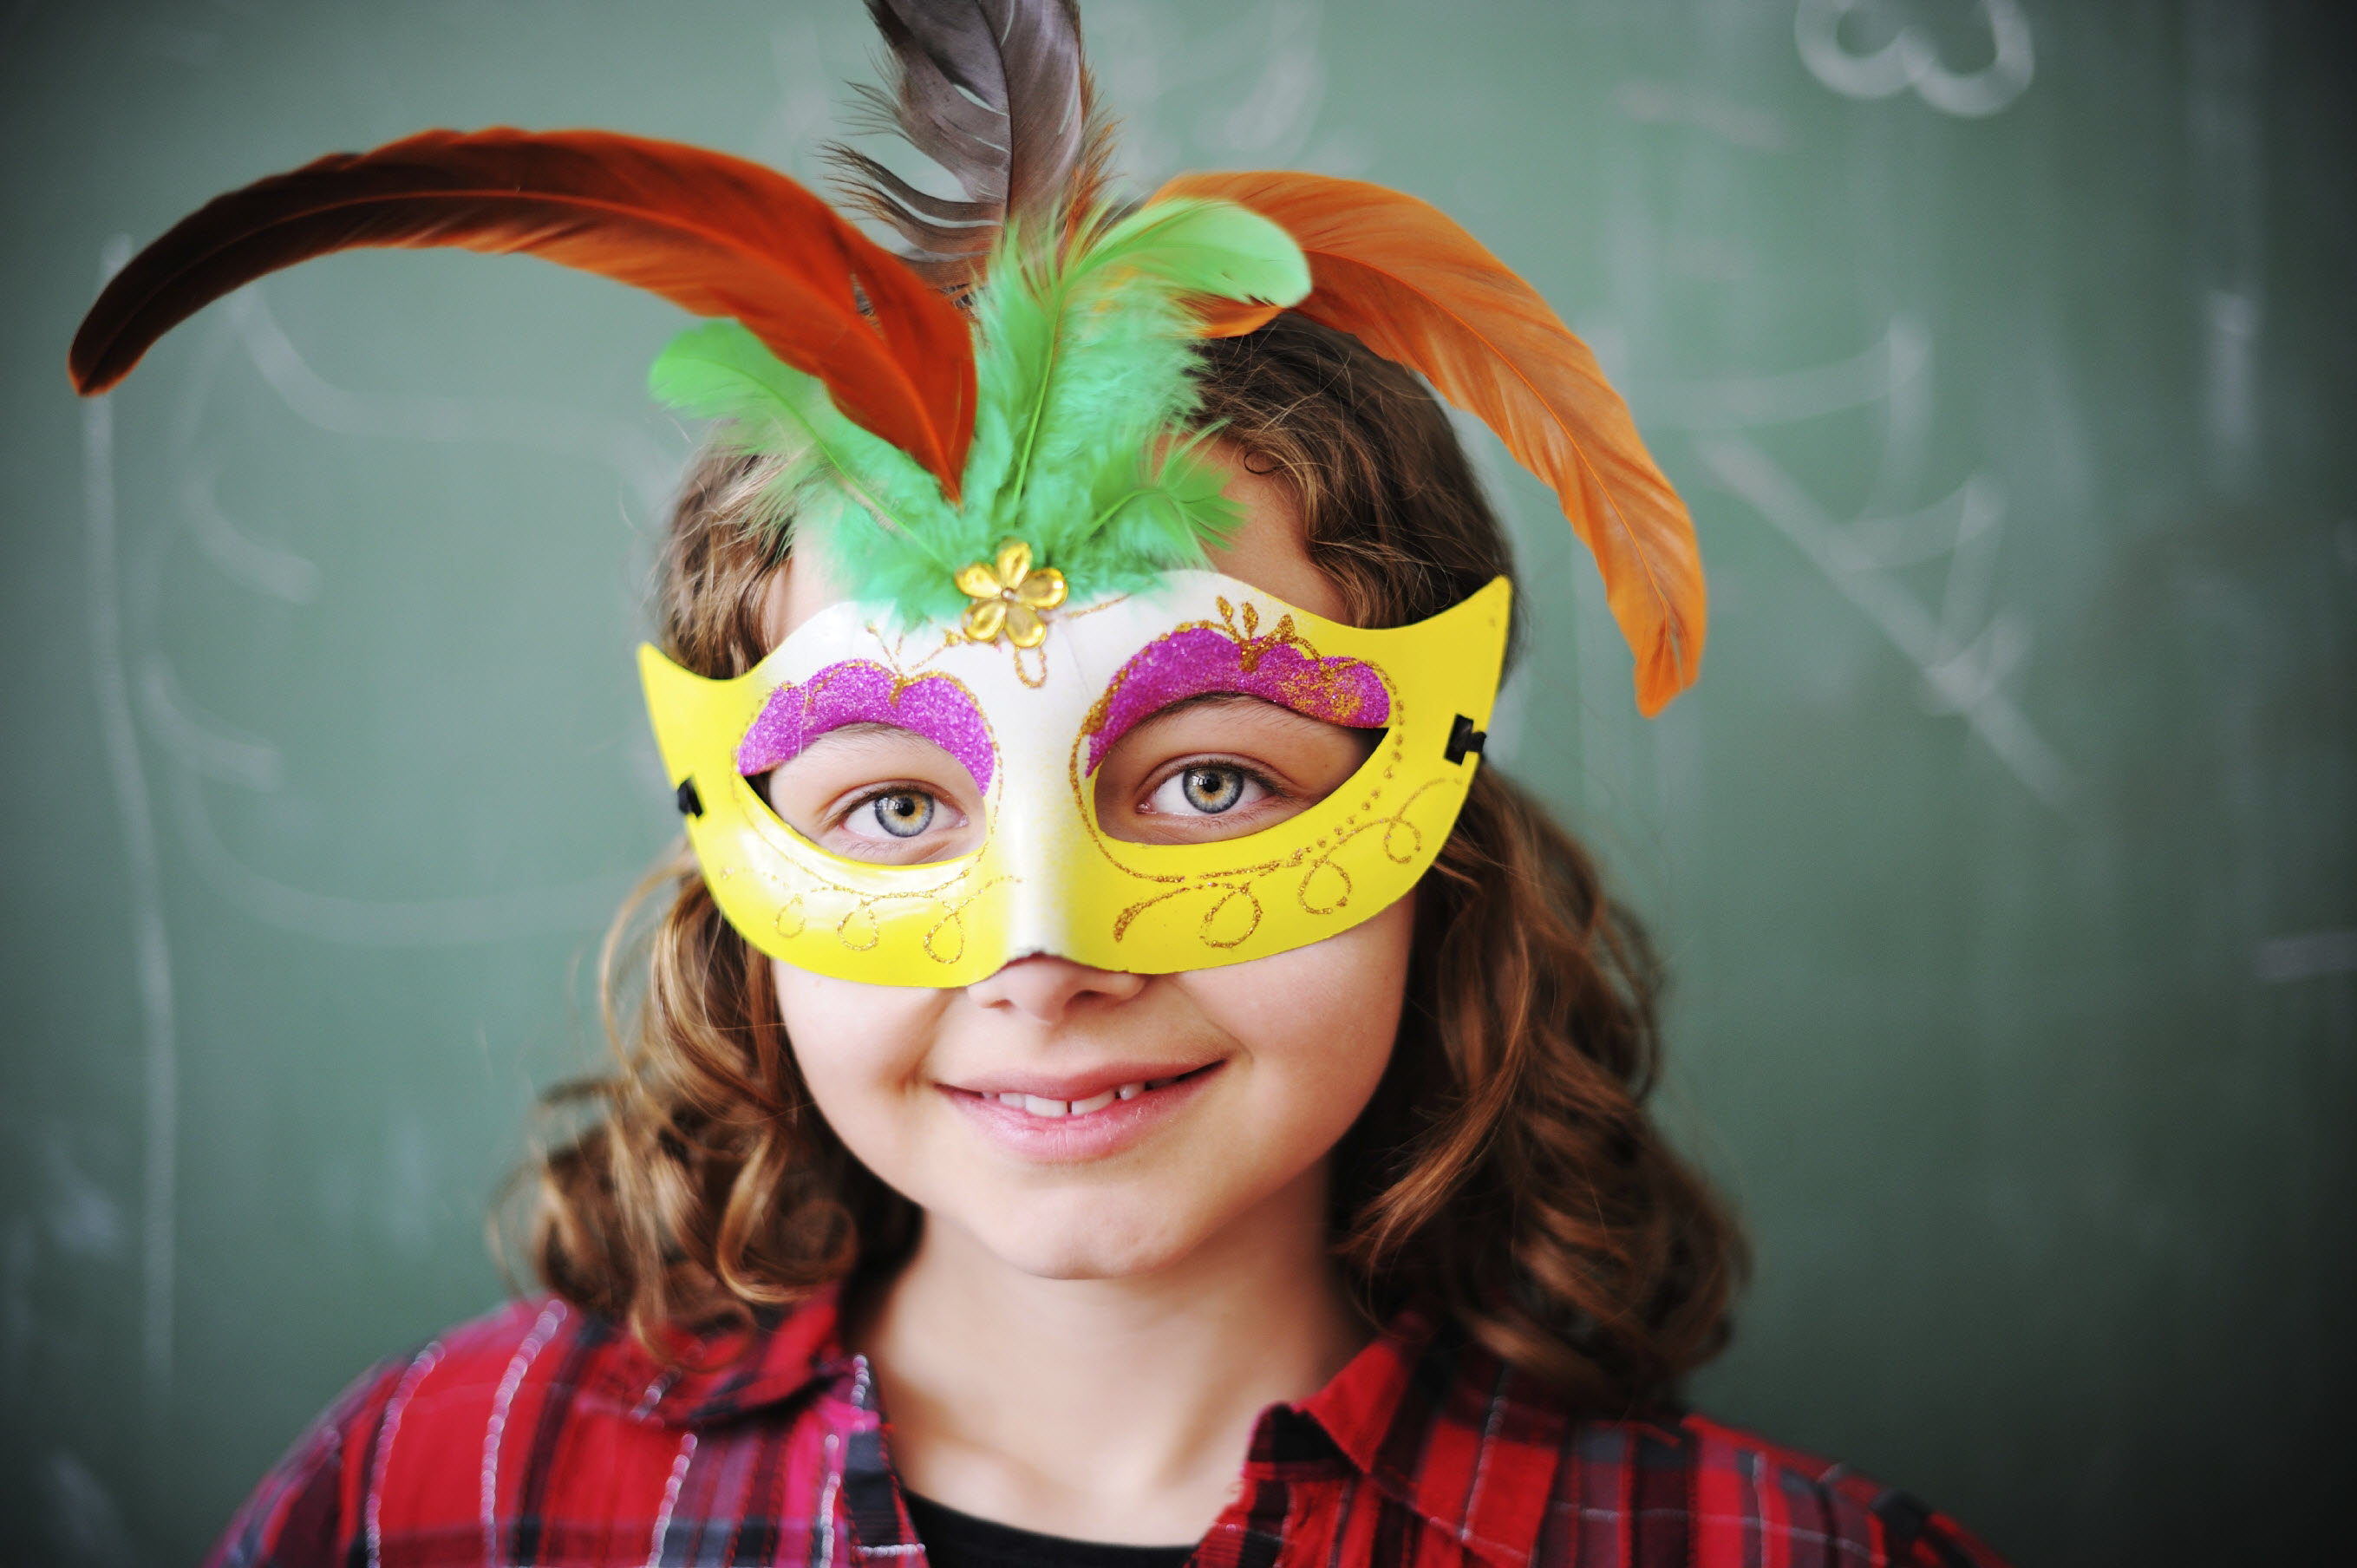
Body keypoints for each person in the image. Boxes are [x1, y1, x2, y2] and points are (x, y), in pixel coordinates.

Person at [71, 5, 2008, 1565]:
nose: (1042, 949)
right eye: (898, 808)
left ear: (1436, 829)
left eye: (1216, 785)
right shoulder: (447, 1502)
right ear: (734, 865)